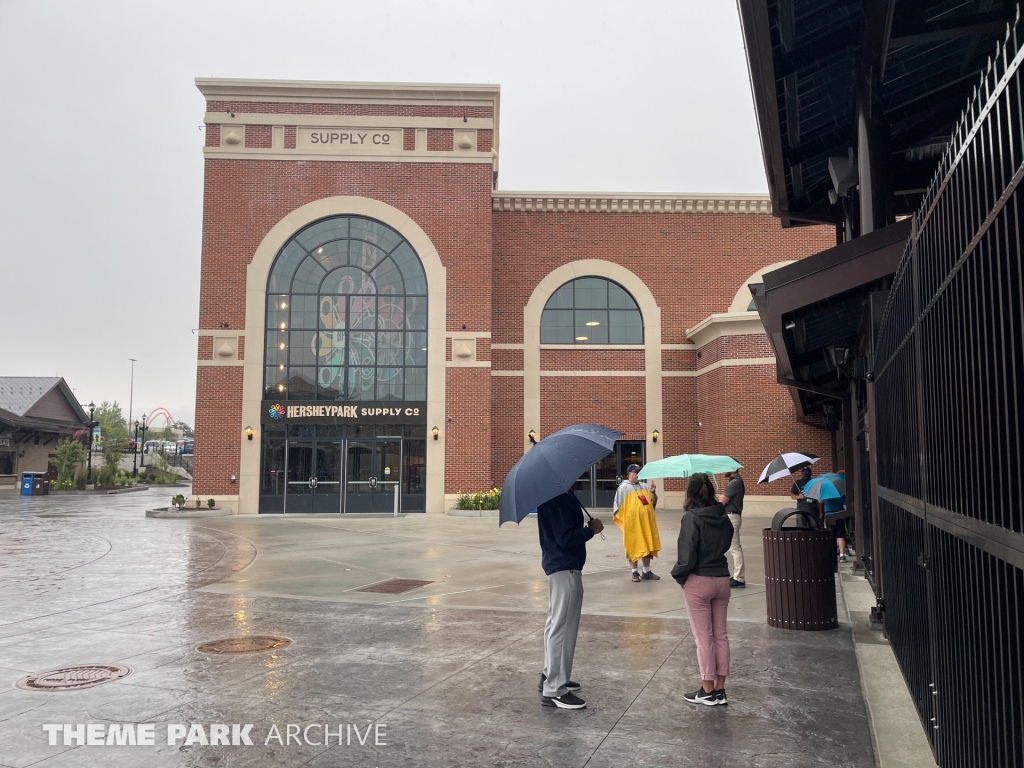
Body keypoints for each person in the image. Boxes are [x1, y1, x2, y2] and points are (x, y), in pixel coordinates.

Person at [671, 473, 734, 706]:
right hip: (722, 578)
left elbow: (686, 555)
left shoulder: (691, 518)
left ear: (691, 492)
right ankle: (720, 688)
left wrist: (679, 576)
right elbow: (727, 542)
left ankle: (707, 689)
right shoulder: (723, 516)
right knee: (721, 636)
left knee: (703, 638)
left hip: (699, 579)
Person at [537, 491, 604, 709]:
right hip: (565, 567)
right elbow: (565, 538)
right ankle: (555, 688)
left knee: (555, 624)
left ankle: (550, 674)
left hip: (558, 566)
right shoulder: (560, 498)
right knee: (562, 628)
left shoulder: (552, 496)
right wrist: (590, 531)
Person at [612, 463, 661, 582]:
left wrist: (653, 492)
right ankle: (634, 572)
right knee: (633, 545)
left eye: (639, 472)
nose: (638, 474)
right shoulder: (623, 488)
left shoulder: (644, 486)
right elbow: (617, 507)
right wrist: (625, 522)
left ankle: (646, 571)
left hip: (646, 523)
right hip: (632, 524)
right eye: (636, 472)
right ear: (629, 474)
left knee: (647, 544)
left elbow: (653, 502)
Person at [718, 470, 746, 588]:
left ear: (732, 470)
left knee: (734, 547)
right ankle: (737, 576)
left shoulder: (734, 482)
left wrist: (719, 496)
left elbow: (722, 501)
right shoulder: (735, 482)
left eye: (726, 468)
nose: (723, 471)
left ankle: (739, 578)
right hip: (732, 515)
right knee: (731, 546)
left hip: (731, 516)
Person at [822, 470, 850, 561]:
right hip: (840, 514)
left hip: (828, 515)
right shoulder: (841, 493)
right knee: (840, 536)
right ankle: (842, 555)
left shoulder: (824, 493)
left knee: (830, 536)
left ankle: (831, 555)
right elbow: (845, 506)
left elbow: (820, 502)